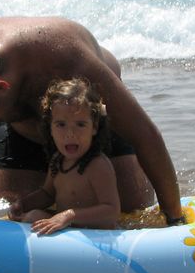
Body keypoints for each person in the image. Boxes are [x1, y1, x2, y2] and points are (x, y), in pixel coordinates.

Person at [0, 16, 183, 224]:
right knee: (6, 215)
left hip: (90, 122)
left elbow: (145, 135)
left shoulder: (66, 59)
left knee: (133, 210)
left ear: (0, 88)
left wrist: (174, 219)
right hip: (25, 132)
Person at [9, 78, 120, 234]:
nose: (70, 134)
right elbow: (47, 194)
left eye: (80, 124)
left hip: (95, 234)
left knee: (34, 217)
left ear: (94, 127)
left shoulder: (97, 165)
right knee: (33, 215)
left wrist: (69, 216)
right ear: (50, 128)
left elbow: (112, 211)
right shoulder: (57, 160)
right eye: (61, 124)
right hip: (68, 230)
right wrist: (23, 204)